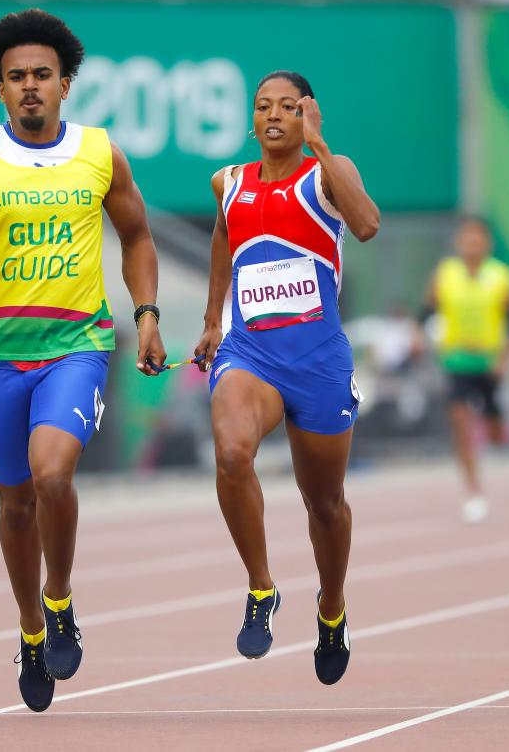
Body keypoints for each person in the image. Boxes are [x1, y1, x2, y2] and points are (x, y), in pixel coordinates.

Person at [0, 9, 166, 713]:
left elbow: (137, 238)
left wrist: (145, 315)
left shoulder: (100, 153)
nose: (30, 87)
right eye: (16, 77)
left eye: (42, 75)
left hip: (76, 346)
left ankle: (60, 599)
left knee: (52, 474)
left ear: (66, 84)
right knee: (14, 504)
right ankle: (28, 627)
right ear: (0, 88)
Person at [194, 70, 379, 686]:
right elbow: (224, 237)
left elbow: (367, 223)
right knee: (231, 450)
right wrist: (213, 321)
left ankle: (331, 607)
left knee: (324, 503)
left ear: (307, 116)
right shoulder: (229, 182)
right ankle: (260, 586)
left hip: (320, 360)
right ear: (253, 118)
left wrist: (324, 147)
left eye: (288, 107)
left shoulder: (326, 174)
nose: (274, 115)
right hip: (252, 355)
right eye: (263, 106)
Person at [418, 217, 509, 523]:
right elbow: (426, 309)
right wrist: (416, 334)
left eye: (478, 238)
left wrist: (506, 356)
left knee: (496, 433)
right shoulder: (445, 274)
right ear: (458, 242)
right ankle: (474, 490)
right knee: (459, 419)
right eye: (467, 237)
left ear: (487, 243)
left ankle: (493, 431)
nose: (472, 243)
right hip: (457, 358)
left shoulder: (502, 276)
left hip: (490, 360)